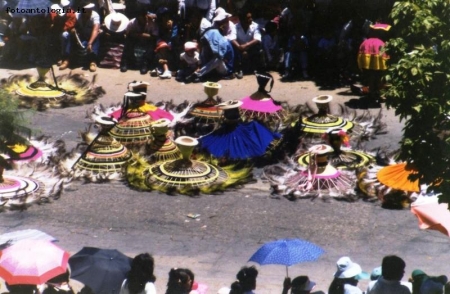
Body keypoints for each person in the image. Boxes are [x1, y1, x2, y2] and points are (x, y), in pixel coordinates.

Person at [61, 2, 100, 72]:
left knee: (97, 36)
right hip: (80, 35)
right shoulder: (77, 15)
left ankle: (93, 61)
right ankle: (67, 59)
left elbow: (95, 30)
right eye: (88, 9)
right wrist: (72, 29)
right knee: (69, 36)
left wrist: (90, 43)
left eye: (90, 9)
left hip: (90, 35)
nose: (90, 11)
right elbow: (71, 26)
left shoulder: (95, 15)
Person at [120, 8, 159, 74]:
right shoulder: (132, 22)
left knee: (152, 44)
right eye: (141, 18)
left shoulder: (152, 23)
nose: (144, 19)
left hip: (147, 41)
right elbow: (127, 34)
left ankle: (145, 64)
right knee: (128, 42)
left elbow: (154, 36)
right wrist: (137, 35)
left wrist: (141, 35)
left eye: (145, 17)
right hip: (135, 40)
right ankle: (125, 62)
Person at [231, 9, 262, 78]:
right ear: (241, 19)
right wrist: (239, 47)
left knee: (258, 46)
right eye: (248, 18)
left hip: (251, 48)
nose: (251, 19)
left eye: (251, 17)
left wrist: (246, 45)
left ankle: (255, 68)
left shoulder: (255, 26)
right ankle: (239, 69)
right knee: (232, 46)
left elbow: (257, 38)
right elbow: (232, 39)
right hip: (239, 49)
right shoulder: (235, 27)